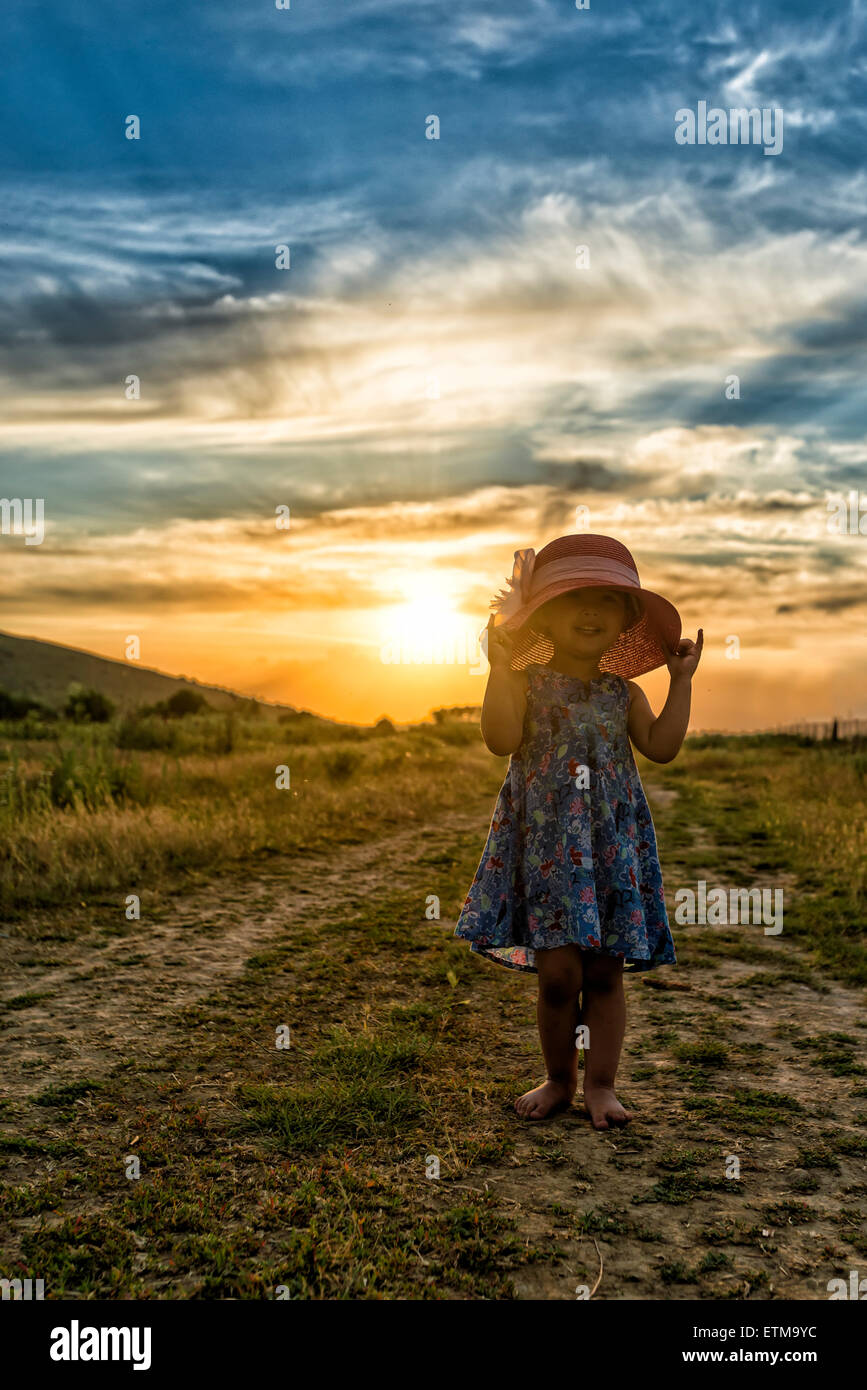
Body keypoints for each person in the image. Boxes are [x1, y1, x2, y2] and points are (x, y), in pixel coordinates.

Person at [454, 534, 703, 1129]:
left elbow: (663, 748)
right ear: (542, 613)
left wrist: (683, 680)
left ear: (626, 621)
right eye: (573, 598)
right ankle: (559, 1079)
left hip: (608, 848)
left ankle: (601, 1085)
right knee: (559, 974)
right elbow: (500, 740)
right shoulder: (527, 682)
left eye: (606, 600)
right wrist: (498, 668)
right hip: (547, 851)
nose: (590, 611)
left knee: (604, 971)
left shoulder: (625, 693)